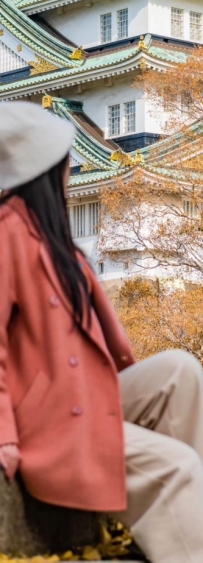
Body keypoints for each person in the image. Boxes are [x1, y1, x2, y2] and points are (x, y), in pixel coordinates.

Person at [0, 103, 203, 563]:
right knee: (177, 467)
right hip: (48, 417)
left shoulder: (51, 236)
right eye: (68, 158)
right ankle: (182, 514)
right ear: (47, 168)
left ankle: (186, 525)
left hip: (84, 394)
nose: (74, 168)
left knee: (180, 370)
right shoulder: (7, 234)